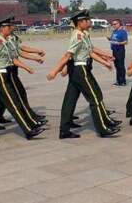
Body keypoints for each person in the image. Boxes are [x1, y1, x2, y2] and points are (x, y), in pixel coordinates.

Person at [47, 10, 120, 139]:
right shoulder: (78, 36)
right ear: (80, 22)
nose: (89, 22)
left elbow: (90, 51)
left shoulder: (83, 34)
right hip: (80, 70)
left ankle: (64, 129)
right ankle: (102, 128)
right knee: (95, 98)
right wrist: (55, 71)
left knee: (70, 99)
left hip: (79, 69)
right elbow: (68, 55)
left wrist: (105, 59)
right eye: (87, 20)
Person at [108, 19, 128, 86]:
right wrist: (110, 39)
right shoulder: (114, 31)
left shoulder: (123, 32)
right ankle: (118, 80)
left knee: (120, 66)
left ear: (119, 24)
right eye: (113, 24)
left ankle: (122, 81)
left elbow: (126, 42)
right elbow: (113, 39)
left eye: (115, 24)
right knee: (116, 66)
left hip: (120, 51)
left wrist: (118, 43)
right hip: (114, 50)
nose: (113, 25)